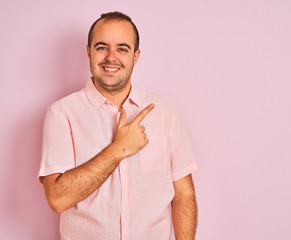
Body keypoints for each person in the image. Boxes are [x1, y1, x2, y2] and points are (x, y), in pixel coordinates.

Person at [38, 11, 198, 240]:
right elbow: (57, 199)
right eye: (102, 47)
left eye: (122, 49)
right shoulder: (61, 114)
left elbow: (183, 194)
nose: (111, 57)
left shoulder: (166, 113)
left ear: (135, 56)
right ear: (88, 52)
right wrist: (119, 149)